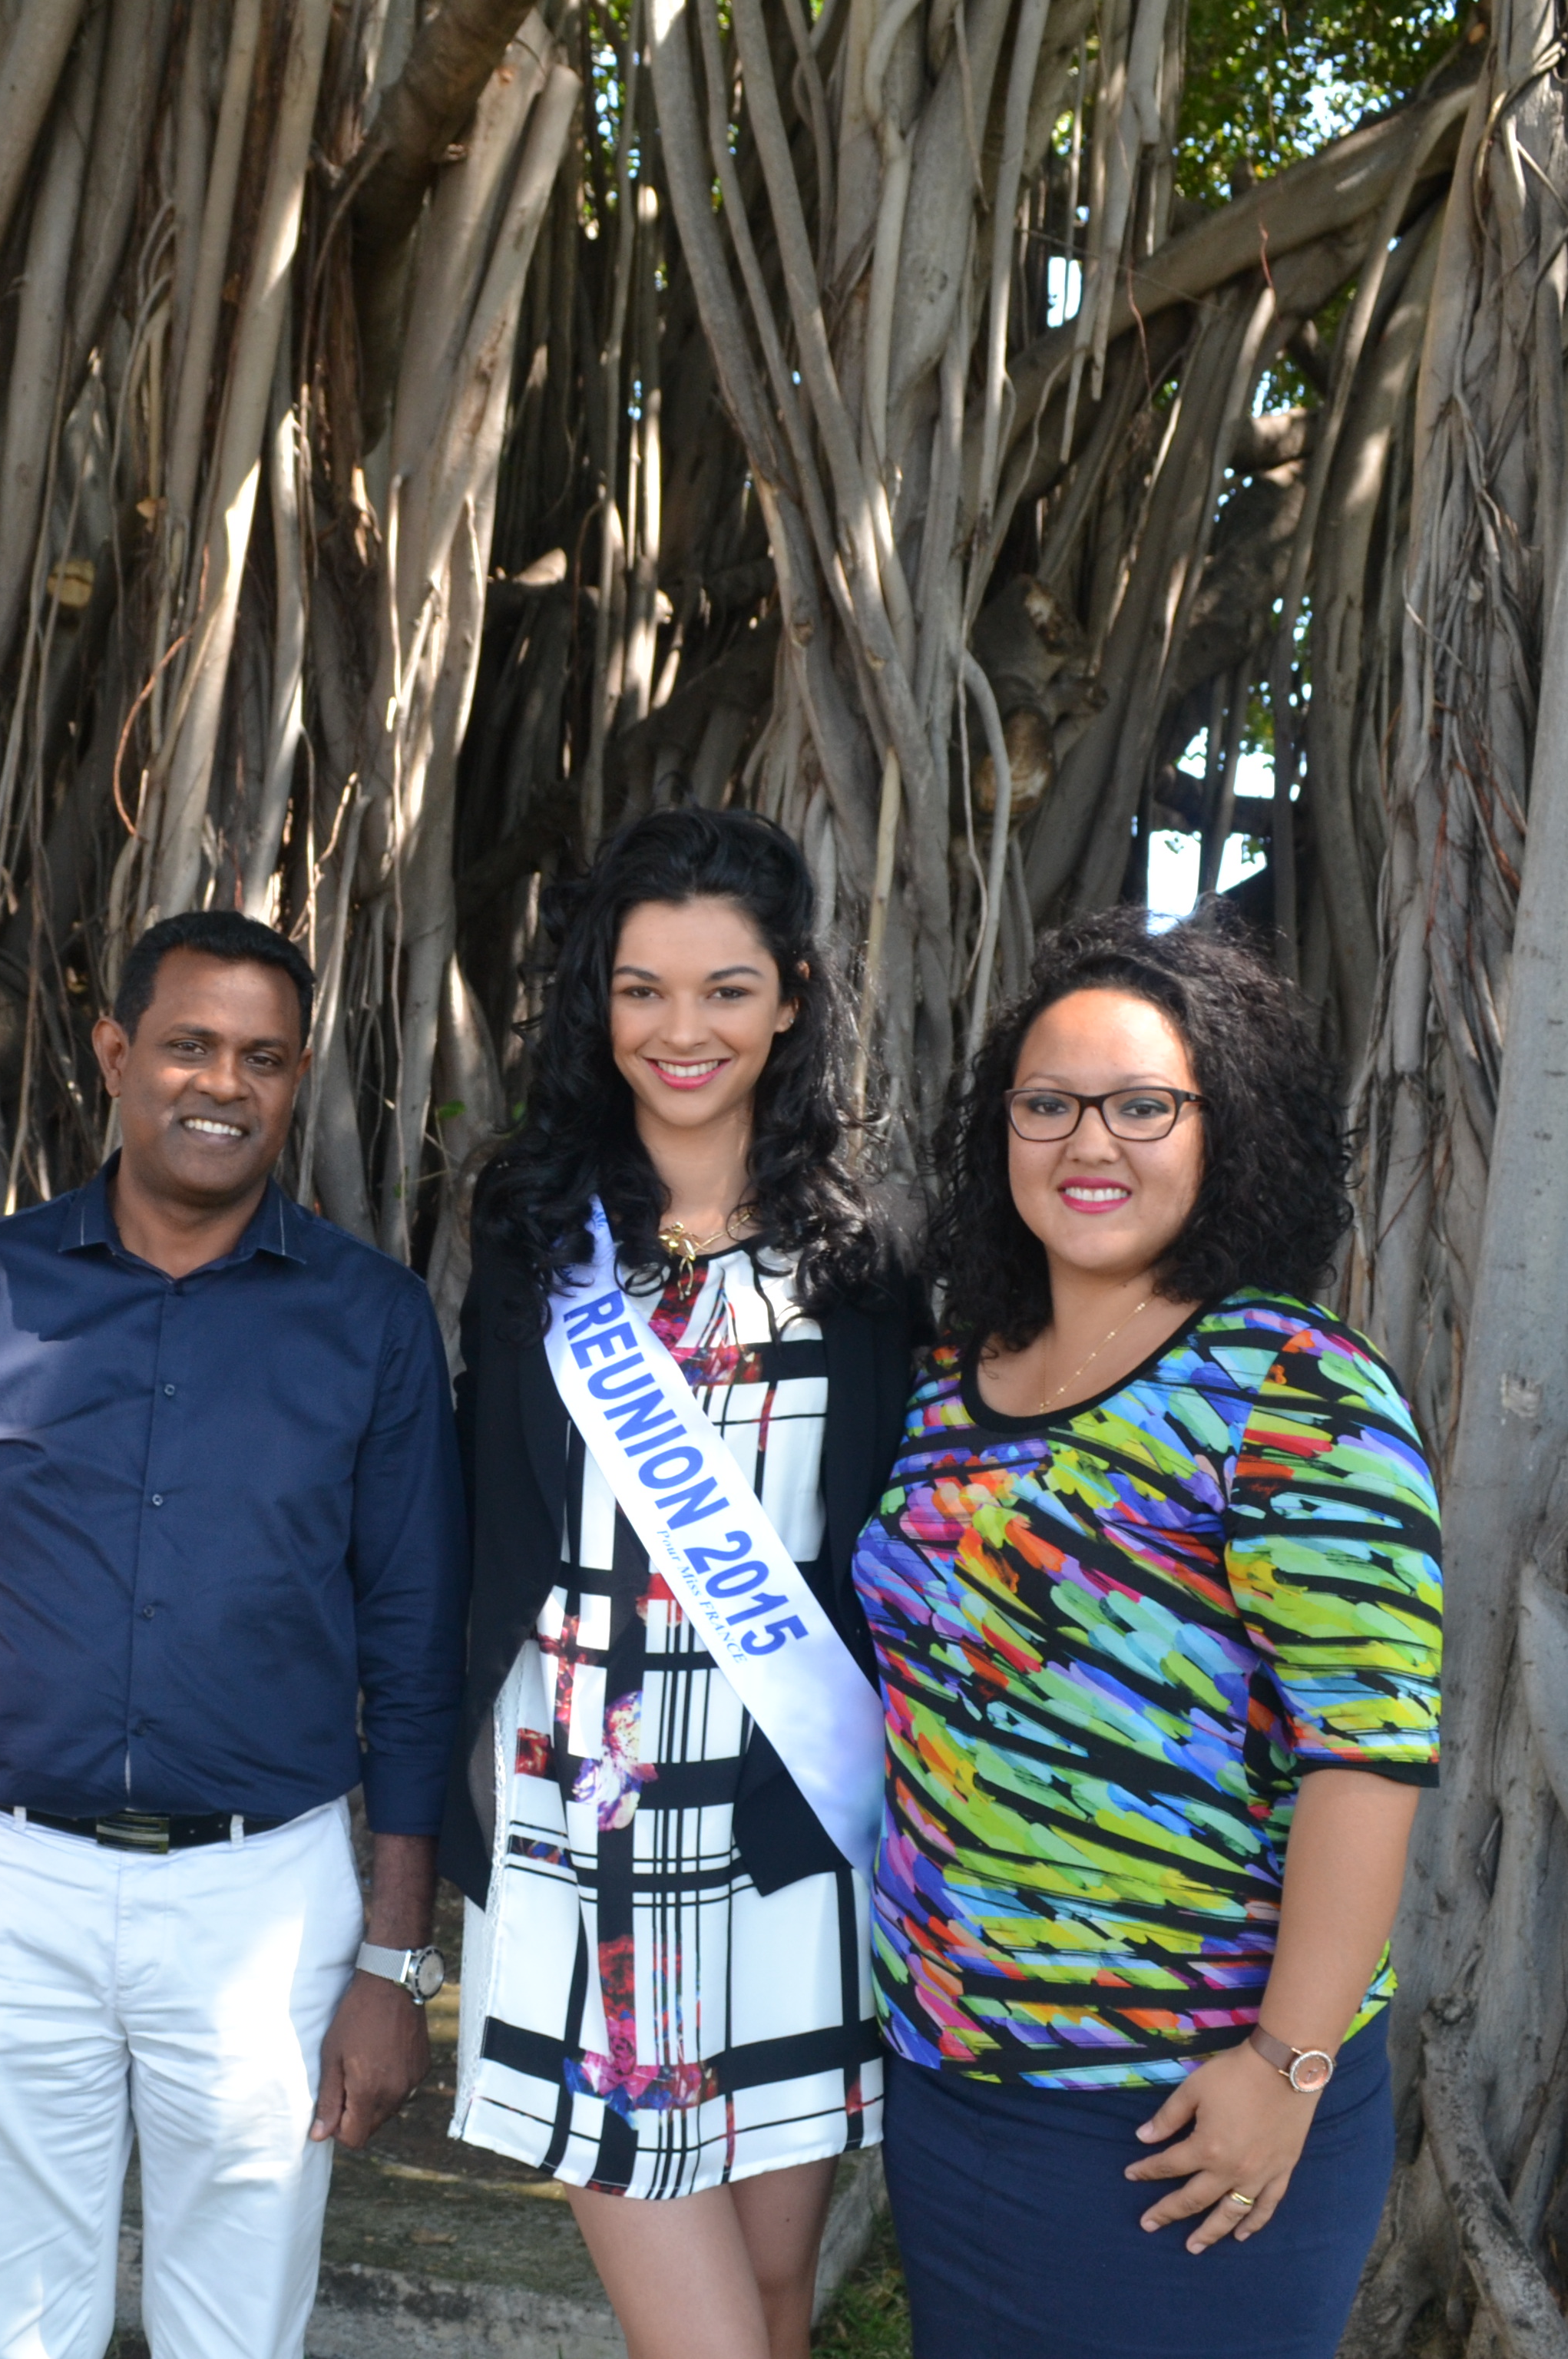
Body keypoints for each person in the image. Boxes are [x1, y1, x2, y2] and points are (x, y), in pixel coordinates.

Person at [0, 909, 467, 2359]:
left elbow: (415, 1648)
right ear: (116, 1053)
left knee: (236, 2322)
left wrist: (393, 1963)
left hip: (262, 1895)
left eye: (262, 1056)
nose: (222, 1084)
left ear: (298, 1076)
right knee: (4, 2322)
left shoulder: (370, 1323)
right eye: (188, 1044)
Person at [854, 909, 1442, 2359]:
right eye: (1046, 1105)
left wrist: (1287, 2069)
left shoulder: (1293, 1389)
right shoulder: (946, 1387)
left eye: (1141, 1105)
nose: (1086, 1143)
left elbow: (1366, 1757)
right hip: (956, 2083)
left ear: (1224, 1127)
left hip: (1188, 2107)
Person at [441, 808, 917, 2359]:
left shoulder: (864, 1260)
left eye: (724, 989)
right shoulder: (529, 1234)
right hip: (581, 1813)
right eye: (642, 990)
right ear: (599, 1004)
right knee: (701, 2336)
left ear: (789, 999)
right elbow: (496, 1512)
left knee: (777, 2297)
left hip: (788, 1823)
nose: (681, 1030)